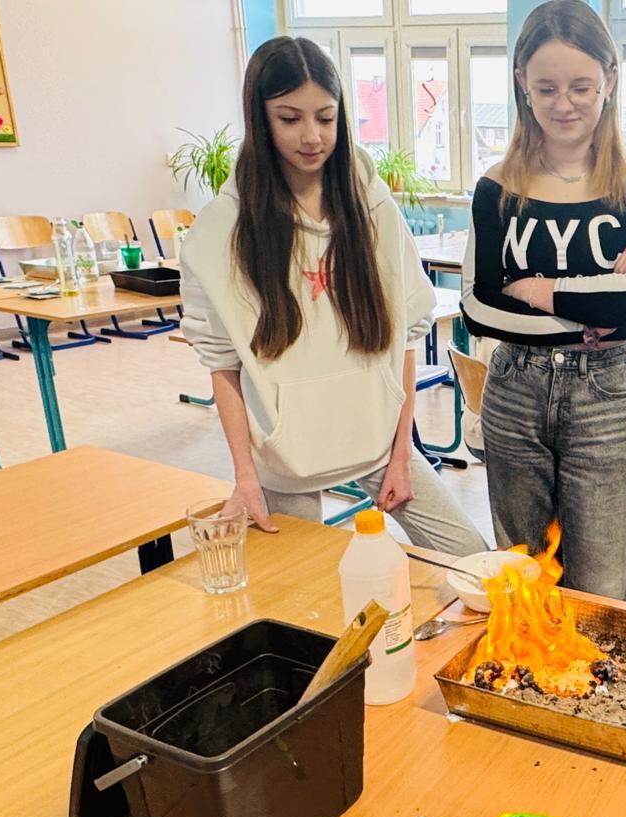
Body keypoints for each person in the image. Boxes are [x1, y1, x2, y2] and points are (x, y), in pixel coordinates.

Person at [181, 36, 485, 557]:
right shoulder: (222, 228)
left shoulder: (371, 204)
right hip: (286, 461)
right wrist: (246, 477)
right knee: (302, 592)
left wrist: (401, 453)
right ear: (260, 118)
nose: (312, 136)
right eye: (289, 118)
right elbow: (223, 365)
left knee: (475, 560)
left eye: (326, 117)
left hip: (377, 442)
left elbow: (405, 336)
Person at [460, 0, 626, 605]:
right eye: (546, 87)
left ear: (610, 80)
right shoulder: (496, 186)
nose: (564, 104)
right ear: (522, 84)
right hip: (512, 388)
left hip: (602, 390)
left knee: (604, 588)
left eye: (581, 86)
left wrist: (538, 289)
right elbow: (477, 305)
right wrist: (593, 303)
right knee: (523, 581)